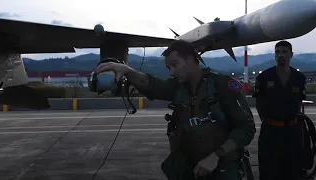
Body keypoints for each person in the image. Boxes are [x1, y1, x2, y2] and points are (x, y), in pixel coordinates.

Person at [95, 40, 256, 180]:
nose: (172, 71)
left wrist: (215, 156)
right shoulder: (179, 87)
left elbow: (246, 128)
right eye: (168, 67)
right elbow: (152, 85)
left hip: (223, 170)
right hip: (191, 170)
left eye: (175, 64)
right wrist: (127, 71)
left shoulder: (223, 85)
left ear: (191, 59)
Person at [252, 40, 307, 180]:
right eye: (277, 52)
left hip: (293, 132)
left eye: (284, 52)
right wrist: (268, 121)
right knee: (269, 170)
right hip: (271, 132)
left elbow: (299, 101)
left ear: (291, 54)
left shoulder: (299, 78)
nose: (280, 55)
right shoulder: (264, 77)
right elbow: (259, 103)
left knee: (294, 170)